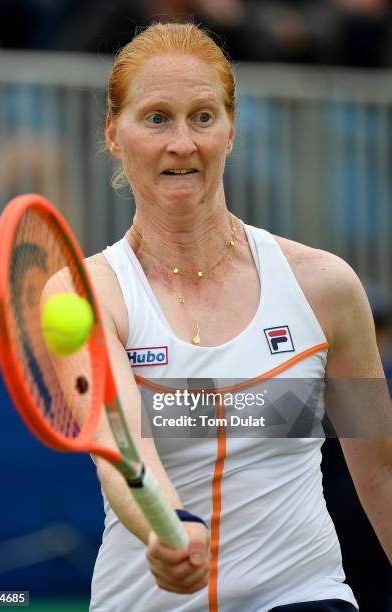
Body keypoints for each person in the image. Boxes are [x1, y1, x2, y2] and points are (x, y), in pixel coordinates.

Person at [87, 21, 391, 612]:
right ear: (115, 135)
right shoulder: (89, 293)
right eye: (156, 118)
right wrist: (165, 527)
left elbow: (380, 474)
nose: (182, 142)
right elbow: (121, 449)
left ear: (230, 133)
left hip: (304, 596)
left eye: (203, 117)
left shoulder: (325, 286)